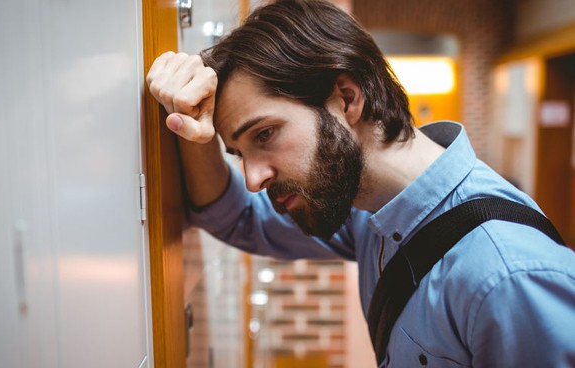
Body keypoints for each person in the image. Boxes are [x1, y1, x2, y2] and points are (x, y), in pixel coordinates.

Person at [146, 0, 575, 366]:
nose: (254, 179)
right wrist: (192, 127)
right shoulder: (369, 213)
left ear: (347, 98)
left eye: (265, 135)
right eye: (239, 153)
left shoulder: (508, 276)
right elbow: (237, 217)